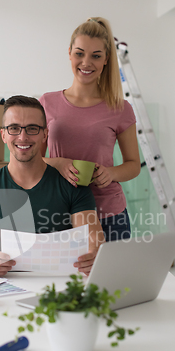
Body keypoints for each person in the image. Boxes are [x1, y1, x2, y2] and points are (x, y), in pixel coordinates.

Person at [0, 95, 105, 277]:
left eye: (32, 129)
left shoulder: (72, 185)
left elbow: (93, 239)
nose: (23, 137)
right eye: (14, 128)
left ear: (45, 134)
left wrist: (93, 254)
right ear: (3, 135)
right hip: (2, 286)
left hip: (58, 288)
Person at [39, 17, 141, 242]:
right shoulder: (46, 102)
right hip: (59, 212)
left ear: (106, 60)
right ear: (69, 53)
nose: (86, 63)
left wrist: (111, 173)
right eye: (79, 53)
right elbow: (29, 161)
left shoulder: (120, 108)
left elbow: (134, 165)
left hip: (109, 215)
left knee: (110, 278)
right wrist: (58, 163)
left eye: (96, 56)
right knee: (63, 279)